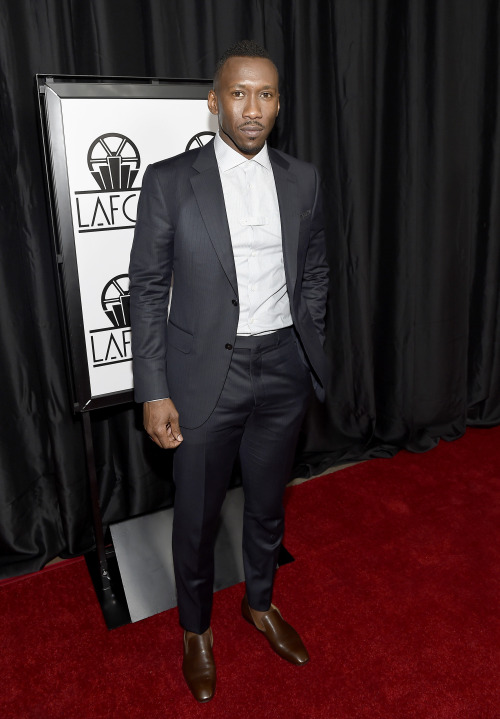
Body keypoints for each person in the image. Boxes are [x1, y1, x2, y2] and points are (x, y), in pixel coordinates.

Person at [129, 39, 329, 702]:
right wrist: (153, 389)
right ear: (214, 101)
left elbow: (317, 271)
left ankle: (261, 602)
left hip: (283, 369)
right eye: (239, 93)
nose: (253, 108)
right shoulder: (168, 180)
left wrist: (309, 344)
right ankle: (195, 629)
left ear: (278, 103)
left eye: (266, 94)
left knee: (269, 506)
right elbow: (148, 289)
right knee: (198, 515)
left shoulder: (302, 178)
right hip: (202, 377)